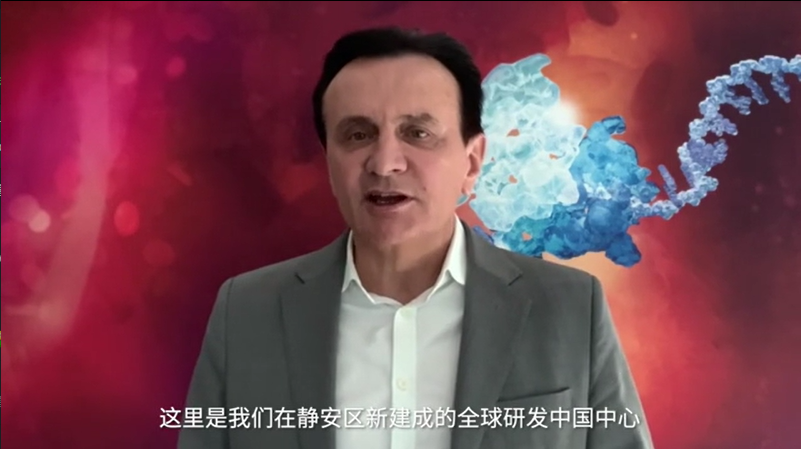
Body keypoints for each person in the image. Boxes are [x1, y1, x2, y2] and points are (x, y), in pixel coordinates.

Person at [177, 27, 654, 449]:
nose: (385, 163)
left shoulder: (570, 308)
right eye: (357, 135)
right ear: (329, 159)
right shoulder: (247, 312)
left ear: (472, 161)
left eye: (418, 133)